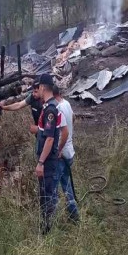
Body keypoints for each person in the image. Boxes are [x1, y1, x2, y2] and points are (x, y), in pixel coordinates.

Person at [34, 74, 62, 234]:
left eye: (39, 87)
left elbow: (49, 139)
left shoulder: (50, 110)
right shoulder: (49, 107)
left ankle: (48, 229)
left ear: (43, 87)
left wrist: (41, 163)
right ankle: (47, 225)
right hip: (48, 160)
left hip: (48, 161)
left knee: (47, 194)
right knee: (46, 192)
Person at [54, 86, 79, 222]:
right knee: (66, 184)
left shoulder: (58, 109)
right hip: (70, 151)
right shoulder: (67, 103)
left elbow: (64, 132)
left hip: (62, 154)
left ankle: (57, 218)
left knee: (55, 186)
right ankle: (73, 214)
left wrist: (58, 150)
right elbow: (73, 118)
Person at [0, 81, 42, 153]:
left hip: (45, 133)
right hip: (39, 133)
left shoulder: (47, 103)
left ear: (42, 90)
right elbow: (19, 105)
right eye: (33, 91)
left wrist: (39, 130)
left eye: (36, 92)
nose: (33, 94)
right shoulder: (32, 98)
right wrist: (4, 108)